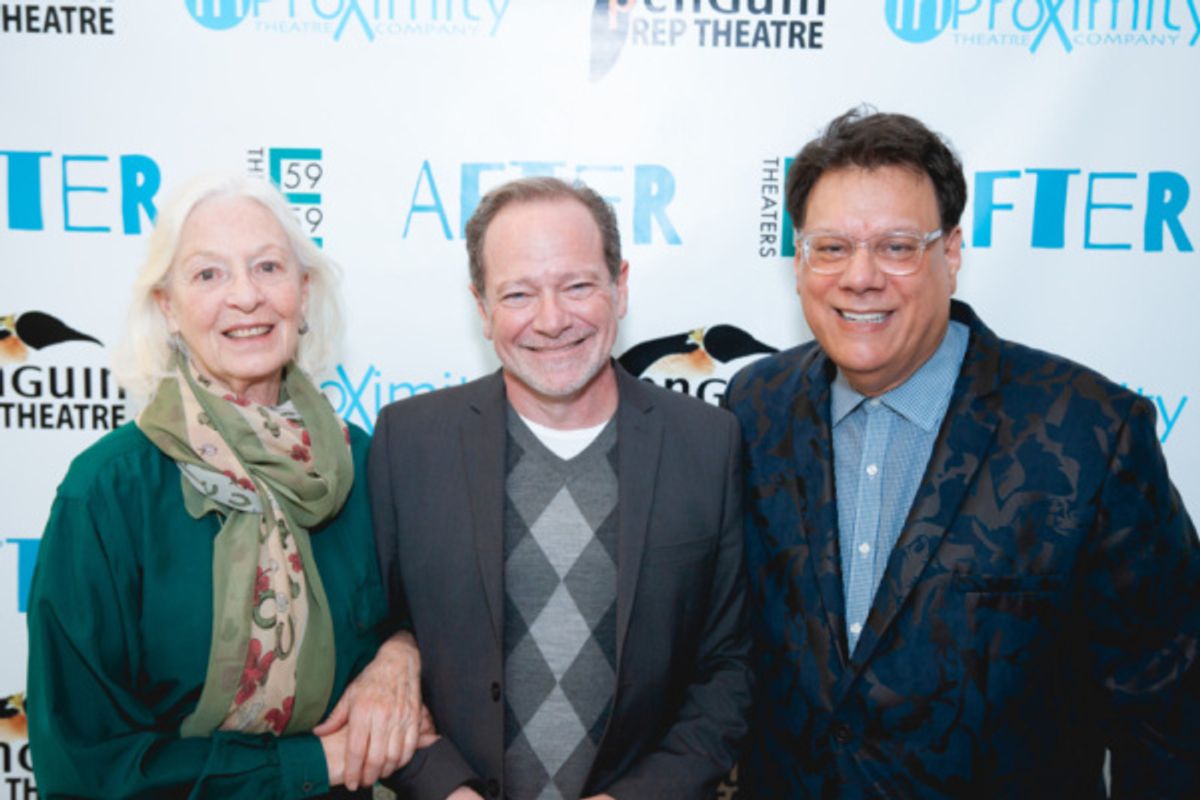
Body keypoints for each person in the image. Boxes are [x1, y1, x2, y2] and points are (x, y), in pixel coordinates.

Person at [727, 107, 1200, 798]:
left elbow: (1169, 715)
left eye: (896, 246)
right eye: (830, 247)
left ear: (950, 253)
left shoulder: (1089, 432)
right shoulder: (754, 406)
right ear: (799, 259)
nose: (860, 277)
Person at [26, 173, 425, 798]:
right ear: (168, 308)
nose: (245, 298)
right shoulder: (108, 492)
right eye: (208, 275)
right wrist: (315, 765)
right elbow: (84, 768)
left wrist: (403, 655)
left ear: (304, 291)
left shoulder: (368, 463)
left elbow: (436, 617)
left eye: (267, 267)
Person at [365, 176, 751, 799]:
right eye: (518, 293)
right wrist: (444, 787)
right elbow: (372, 643)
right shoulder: (408, 443)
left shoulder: (708, 444)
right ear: (481, 305)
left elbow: (728, 668)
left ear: (620, 287)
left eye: (577, 286)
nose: (552, 321)